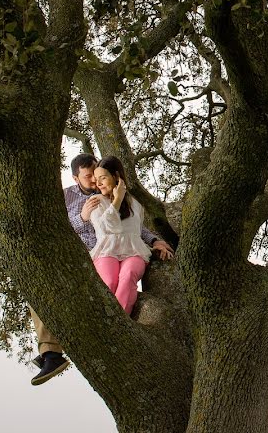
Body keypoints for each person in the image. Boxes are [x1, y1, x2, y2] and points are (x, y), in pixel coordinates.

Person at [29, 153, 174, 385]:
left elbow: (131, 226)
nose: (95, 180)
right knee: (39, 287)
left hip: (111, 255)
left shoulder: (109, 191)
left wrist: (154, 239)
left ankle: (98, 334)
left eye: (97, 173)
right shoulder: (65, 197)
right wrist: (81, 217)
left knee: (113, 283)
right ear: (76, 178)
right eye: (89, 177)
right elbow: (53, 227)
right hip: (78, 257)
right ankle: (52, 353)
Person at [88, 156, 157, 314]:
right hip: (106, 251)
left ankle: (120, 321)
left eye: (103, 178)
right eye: (96, 179)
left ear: (116, 177)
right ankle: (106, 320)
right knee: (110, 281)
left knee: (128, 275)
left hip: (134, 251)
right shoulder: (96, 201)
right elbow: (107, 228)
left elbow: (138, 231)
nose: (98, 183)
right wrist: (117, 199)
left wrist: (156, 241)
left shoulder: (135, 204)